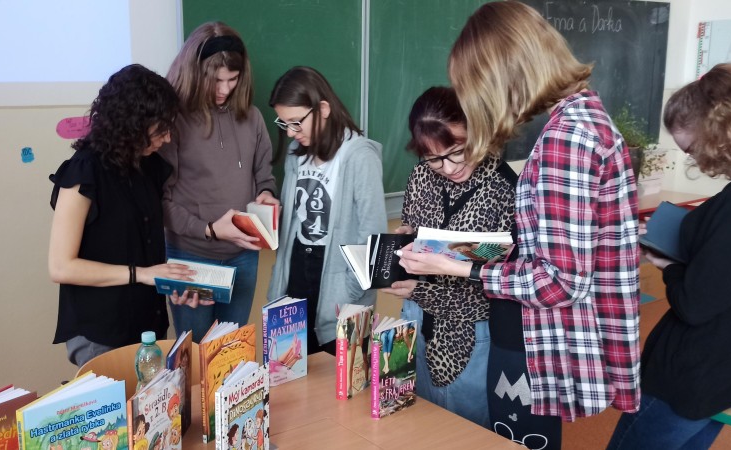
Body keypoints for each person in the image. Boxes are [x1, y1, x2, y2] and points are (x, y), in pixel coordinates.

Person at [397, 2, 640, 448]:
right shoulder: (584, 119)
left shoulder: (565, 141)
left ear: (501, 76)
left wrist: (463, 268)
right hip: (545, 337)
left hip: (541, 341)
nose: (475, 103)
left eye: (473, 88)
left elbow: (559, 283)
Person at [606, 64, 731, 450]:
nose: (694, 159)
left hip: (694, 373)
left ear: (719, 131)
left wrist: (669, 265)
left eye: (691, 148)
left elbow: (697, 303)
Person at [380, 86, 517, 428]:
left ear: (476, 131)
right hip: (416, 319)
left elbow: (501, 284)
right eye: (434, 158)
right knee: (419, 424)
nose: (449, 166)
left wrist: (438, 273)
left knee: (465, 430)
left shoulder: (505, 188)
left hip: (467, 336)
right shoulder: (421, 176)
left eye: (457, 151)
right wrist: (404, 243)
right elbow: (414, 227)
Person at [48, 64, 195, 367]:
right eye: (160, 129)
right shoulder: (84, 170)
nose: (167, 139)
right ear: (132, 124)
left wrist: (171, 282)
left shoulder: (149, 166)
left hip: (148, 326)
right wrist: (141, 274)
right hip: (102, 333)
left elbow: (143, 249)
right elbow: (61, 267)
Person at [161, 22, 278, 342]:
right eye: (215, 81)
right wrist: (208, 229)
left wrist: (266, 194)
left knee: (232, 351)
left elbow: (263, 175)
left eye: (233, 79)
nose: (225, 90)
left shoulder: (251, 117)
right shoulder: (172, 122)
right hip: (191, 256)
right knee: (195, 359)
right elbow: (160, 202)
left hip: (243, 255)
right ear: (194, 73)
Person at [266, 66, 386, 355]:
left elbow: (375, 237)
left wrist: (348, 292)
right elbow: (298, 220)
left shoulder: (359, 156)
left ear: (323, 109)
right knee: (289, 367)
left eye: (297, 122)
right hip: (298, 270)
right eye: (284, 124)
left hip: (338, 276)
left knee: (337, 381)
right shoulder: (297, 156)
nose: (292, 133)